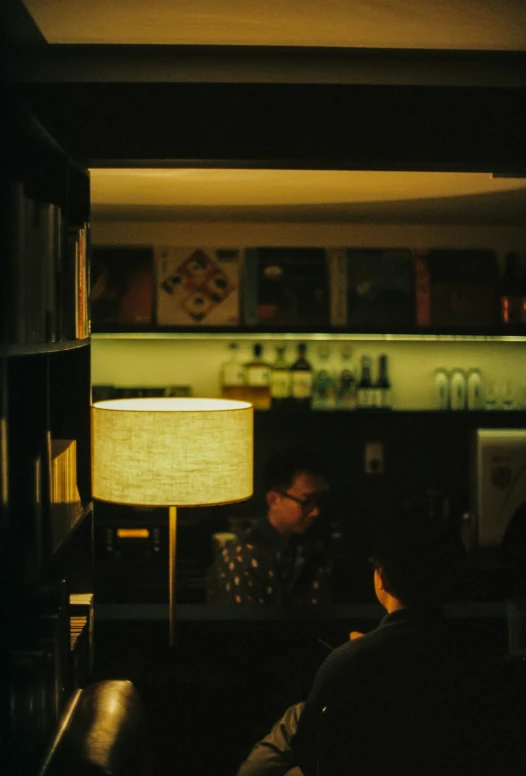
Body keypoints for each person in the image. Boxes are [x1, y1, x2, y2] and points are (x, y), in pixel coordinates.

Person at [236, 504, 525, 776]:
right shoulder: (477, 657)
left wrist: (360, 654)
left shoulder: (347, 661)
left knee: (295, 720)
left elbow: (313, 754)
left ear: (381, 577)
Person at [206, 446, 332, 605]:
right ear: (273, 500)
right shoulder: (244, 555)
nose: (315, 512)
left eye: (319, 502)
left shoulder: (313, 548)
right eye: (306, 502)